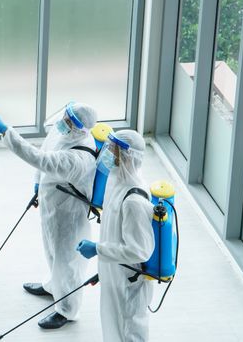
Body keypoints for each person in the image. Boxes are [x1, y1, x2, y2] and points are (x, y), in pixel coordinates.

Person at [0, 102, 97, 329]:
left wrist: (6, 131)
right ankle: (53, 287)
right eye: (66, 114)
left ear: (81, 129)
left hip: (69, 214)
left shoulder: (80, 157)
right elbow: (46, 149)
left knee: (66, 263)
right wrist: (37, 182)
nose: (64, 120)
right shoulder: (64, 129)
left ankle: (67, 310)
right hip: (52, 203)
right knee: (51, 252)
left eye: (70, 119)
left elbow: (40, 159)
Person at [76, 130, 155, 341]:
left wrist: (97, 250)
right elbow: (115, 234)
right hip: (116, 275)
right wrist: (105, 269)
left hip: (129, 284)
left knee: (130, 332)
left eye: (113, 149)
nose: (107, 152)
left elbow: (139, 251)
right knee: (114, 329)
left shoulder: (134, 201)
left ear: (127, 156)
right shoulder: (117, 183)